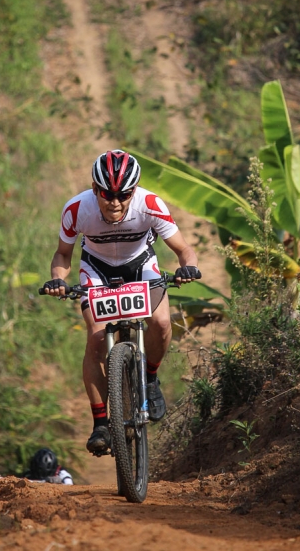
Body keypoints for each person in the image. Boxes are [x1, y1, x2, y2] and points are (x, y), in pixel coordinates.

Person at [41, 149, 201, 456]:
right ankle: (101, 424)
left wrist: (187, 268)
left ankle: (151, 380)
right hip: (96, 268)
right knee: (96, 338)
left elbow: (184, 249)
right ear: (94, 188)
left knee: (163, 323)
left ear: (135, 190)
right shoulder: (76, 209)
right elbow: (63, 253)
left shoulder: (150, 205)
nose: (114, 202)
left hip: (140, 264)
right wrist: (58, 279)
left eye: (123, 194)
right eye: (106, 194)